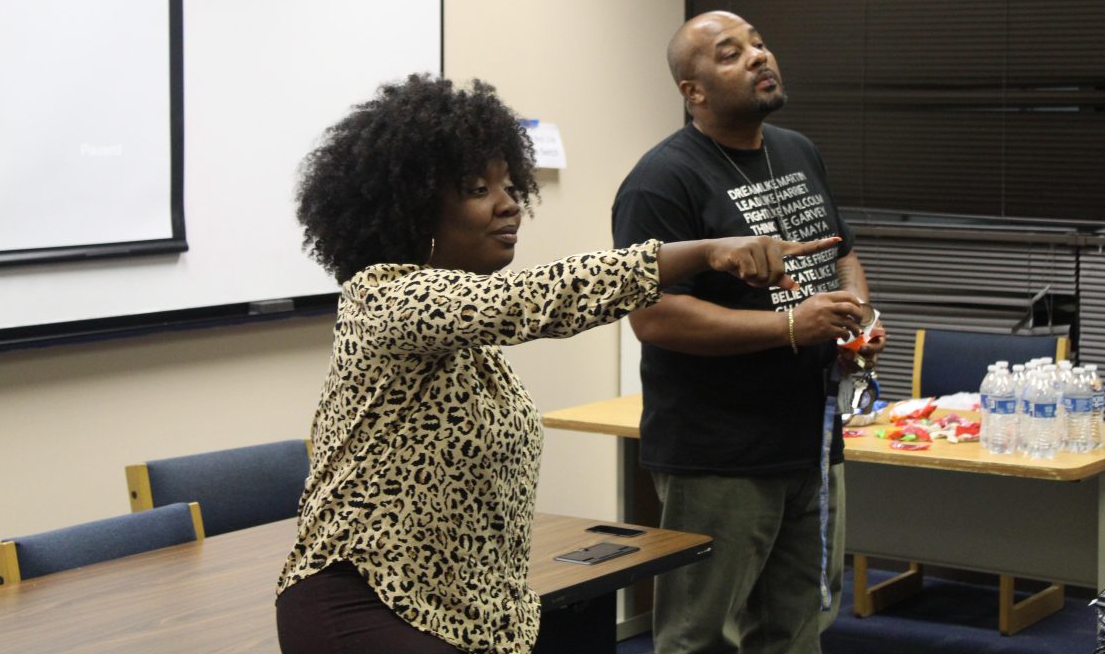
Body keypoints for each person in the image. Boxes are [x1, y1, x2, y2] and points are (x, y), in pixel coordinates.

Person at [274, 73, 840, 654]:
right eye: (476, 189)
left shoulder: (464, 335)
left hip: (468, 614)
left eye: (508, 184)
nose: (508, 204)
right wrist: (705, 251)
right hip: (366, 603)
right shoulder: (385, 300)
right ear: (412, 210)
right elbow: (544, 298)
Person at [611, 11, 887, 653]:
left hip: (811, 438)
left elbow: (842, 252)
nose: (759, 57)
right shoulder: (662, 180)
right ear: (694, 91)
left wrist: (856, 317)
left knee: (798, 626)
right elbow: (651, 316)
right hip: (720, 451)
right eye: (731, 53)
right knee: (703, 632)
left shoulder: (797, 149)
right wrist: (791, 325)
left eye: (759, 44)